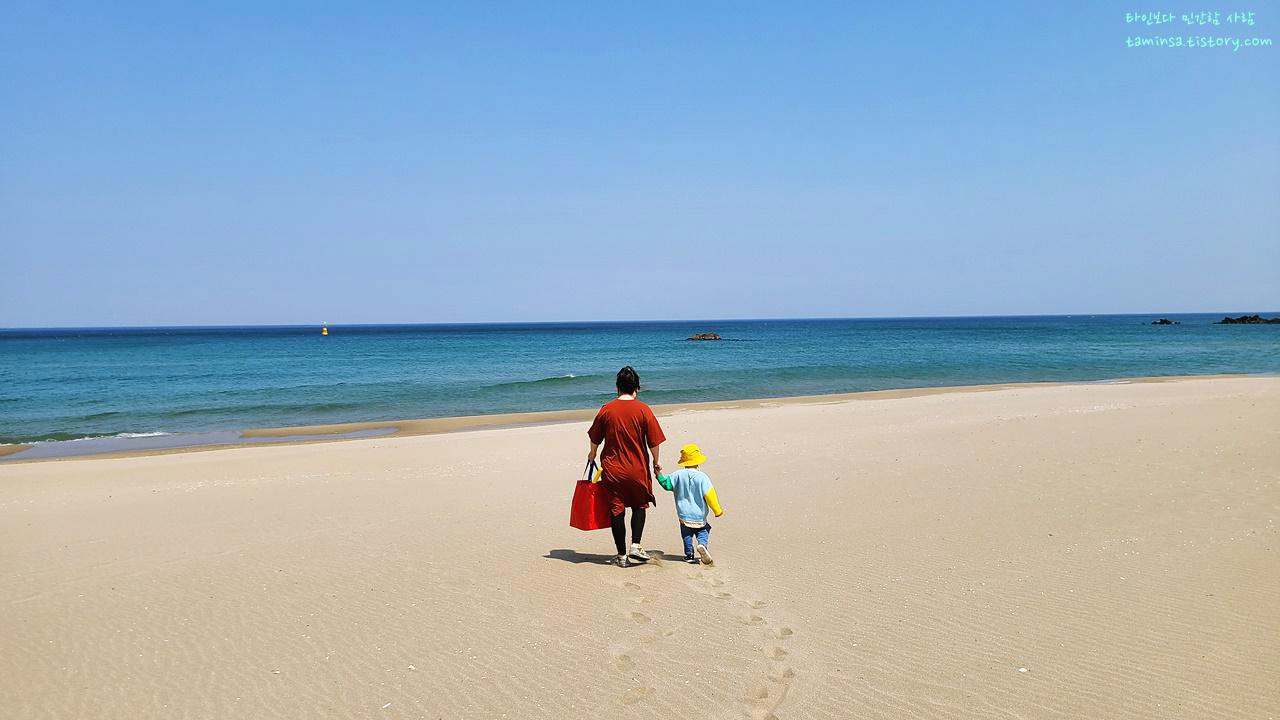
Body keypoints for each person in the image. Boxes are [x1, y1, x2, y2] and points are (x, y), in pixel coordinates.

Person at [587, 366, 666, 567]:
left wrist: (593, 453)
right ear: (636, 388)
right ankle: (636, 545)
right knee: (639, 505)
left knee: (616, 510)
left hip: (612, 470)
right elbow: (654, 442)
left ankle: (621, 556)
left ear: (617, 387)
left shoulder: (606, 409)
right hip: (637, 468)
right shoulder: (643, 409)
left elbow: (595, 437)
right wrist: (656, 462)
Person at [656, 443, 723, 565]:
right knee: (703, 530)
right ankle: (702, 544)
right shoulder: (703, 477)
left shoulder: (677, 475)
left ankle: (689, 555)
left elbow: (666, 485)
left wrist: (658, 475)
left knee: (686, 535)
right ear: (698, 462)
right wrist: (717, 510)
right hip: (699, 514)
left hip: (684, 514)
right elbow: (710, 496)